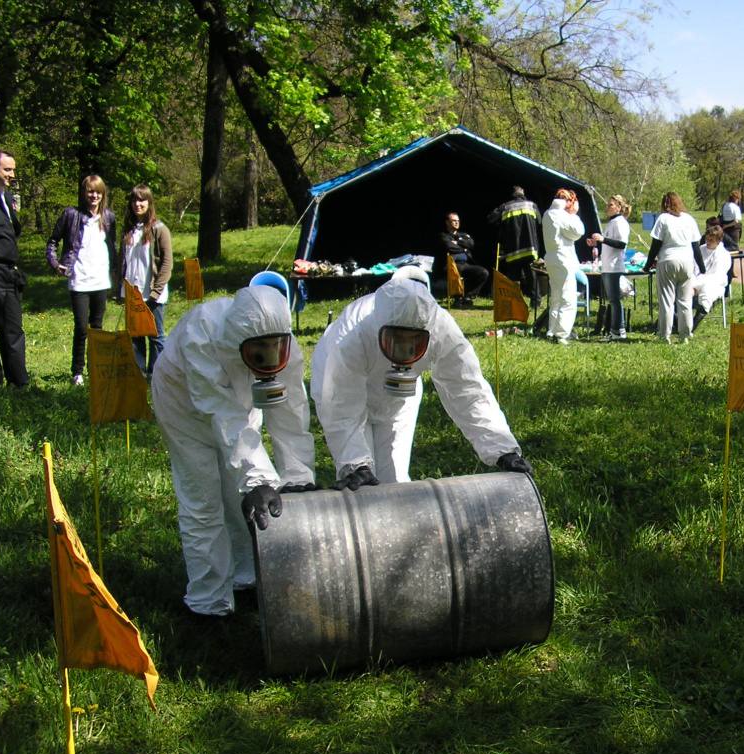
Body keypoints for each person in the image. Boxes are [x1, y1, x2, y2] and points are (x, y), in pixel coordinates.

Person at [151, 284, 316, 617]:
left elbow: (290, 407)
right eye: (259, 352)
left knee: (237, 494)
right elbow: (220, 412)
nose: (269, 358)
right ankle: (208, 602)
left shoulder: (281, 338)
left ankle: (247, 578)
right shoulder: (201, 336)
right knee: (203, 499)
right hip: (181, 403)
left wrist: (297, 474)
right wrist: (258, 479)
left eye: (275, 349)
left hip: (237, 403)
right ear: (238, 344)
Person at [310, 267, 531, 489]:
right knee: (362, 483)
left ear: (428, 331)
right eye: (397, 340)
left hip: (399, 397)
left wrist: (503, 450)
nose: (404, 350)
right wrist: (354, 464)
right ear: (380, 329)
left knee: (394, 482)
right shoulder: (353, 335)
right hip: (337, 384)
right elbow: (341, 402)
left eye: (413, 341)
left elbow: (466, 388)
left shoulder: (442, 328)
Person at [45, 175, 118, 386]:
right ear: (83, 192)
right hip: (79, 280)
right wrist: (54, 262)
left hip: (101, 280)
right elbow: (52, 241)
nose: (93, 196)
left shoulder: (108, 218)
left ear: (102, 194)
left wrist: (116, 274)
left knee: (97, 327)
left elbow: (112, 248)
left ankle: (96, 367)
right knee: (81, 327)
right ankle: (77, 371)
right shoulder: (71, 215)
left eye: (97, 192)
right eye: (89, 191)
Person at [115, 184, 173, 377]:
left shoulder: (159, 229)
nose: (138, 204)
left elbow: (167, 263)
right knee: (136, 334)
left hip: (153, 292)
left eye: (142, 200)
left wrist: (157, 290)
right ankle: (139, 373)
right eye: (134, 200)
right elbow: (123, 261)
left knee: (156, 335)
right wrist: (120, 289)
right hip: (133, 291)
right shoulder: (129, 230)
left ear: (149, 203)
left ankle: (157, 374)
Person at [0, 149, 29, 388]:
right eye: (7, 169)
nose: (12, 174)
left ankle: (18, 383)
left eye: (13, 170)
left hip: (9, 273)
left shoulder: (8, 198)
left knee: (12, 328)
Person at [644, 191, 702, 343]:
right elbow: (696, 246)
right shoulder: (689, 219)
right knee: (684, 301)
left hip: (668, 261)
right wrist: (701, 267)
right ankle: (685, 335)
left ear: (664, 204)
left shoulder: (663, 218)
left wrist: (648, 264)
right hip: (687, 262)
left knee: (667, 301)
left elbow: (655, 245)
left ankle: (665, 335)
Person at [541, 189, 585, 345]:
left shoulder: (548, 213)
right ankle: (562, 334)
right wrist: (573, 215)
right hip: (563, 257)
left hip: (551, 256)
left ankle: (551, 329)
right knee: (568, 298)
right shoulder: (562, 215)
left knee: (556, 297)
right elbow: (578, 232)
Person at [488, 186, 542, 306]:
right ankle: (536, 302)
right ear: (522, 193)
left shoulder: (505, 207)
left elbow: (491, 219)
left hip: (513, 249)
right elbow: (539, 221)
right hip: (530, 247)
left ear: (512, 194)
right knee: (532, 275)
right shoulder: (531, 205)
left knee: (513, 277)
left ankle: (512, 301)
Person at [589, 194, 631, 341]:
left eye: (611, 205)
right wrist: (597, 243)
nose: (607, 207)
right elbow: (610, 243)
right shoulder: (612, 222)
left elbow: (621, 244)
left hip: (614, 266)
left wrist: (603, 239)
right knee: (612, 299)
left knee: (614, 300)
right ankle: (616, 330)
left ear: (619, 208)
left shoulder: (620, 223)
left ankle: (618, 331)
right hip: (607, 266)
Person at [439, 212, 488, 308]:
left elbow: (471, 244)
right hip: (452, 264)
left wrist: (457, 242)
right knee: (457, 270)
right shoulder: (444, 235)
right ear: (447, 222)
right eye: (454, 221)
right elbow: (450, 247)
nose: (457, 222)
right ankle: (457, 299)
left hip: (466, 264)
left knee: (483, 272)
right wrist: (464, 248)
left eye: (458, 220)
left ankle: (468, 296)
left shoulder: (463, 235)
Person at [692, 224, 732, 331]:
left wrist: (696, 286)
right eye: (707, 239)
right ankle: (674, 321)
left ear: (718, 241)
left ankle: (693, 324)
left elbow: (716, 276)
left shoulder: (723, 255)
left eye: (711, 240)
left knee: (708, 291)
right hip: (696, 280)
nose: (708, 242)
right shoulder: (701, 249)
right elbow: (693, 267)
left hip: (714, 283)